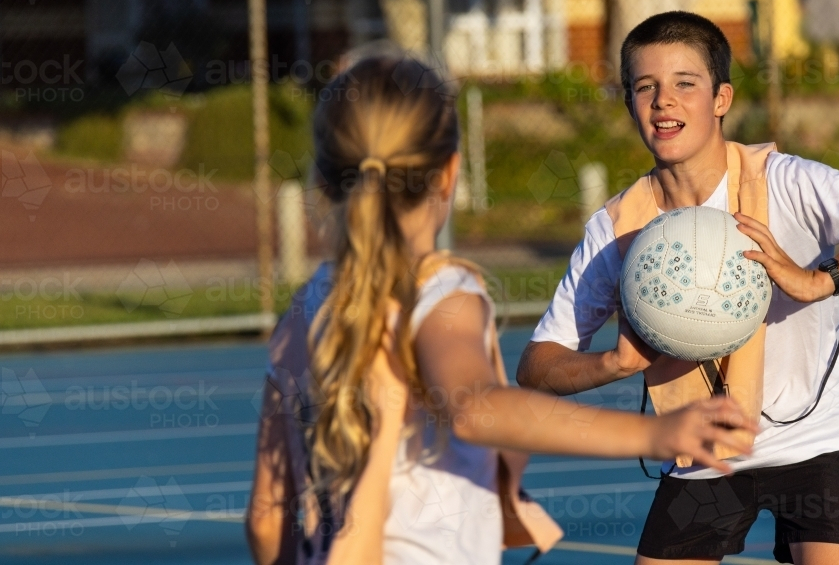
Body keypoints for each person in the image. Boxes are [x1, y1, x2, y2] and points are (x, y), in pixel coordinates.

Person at [244, 56, 758, 565]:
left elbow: (267, 522)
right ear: (449, 173)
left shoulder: (304, 310)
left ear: (328, 180)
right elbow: (472, 408)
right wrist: (653, 433)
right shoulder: (442, 292)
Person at [516, 11, 839, 565]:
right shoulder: (619, 227)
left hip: (816, 442)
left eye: (684, 84)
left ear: (721, 99)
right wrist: (614, 365)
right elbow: (536, 365)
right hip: (702, 454)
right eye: (645, 87)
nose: (663, 101)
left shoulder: (784, 181)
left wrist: (821, 279)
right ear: (629, 104)